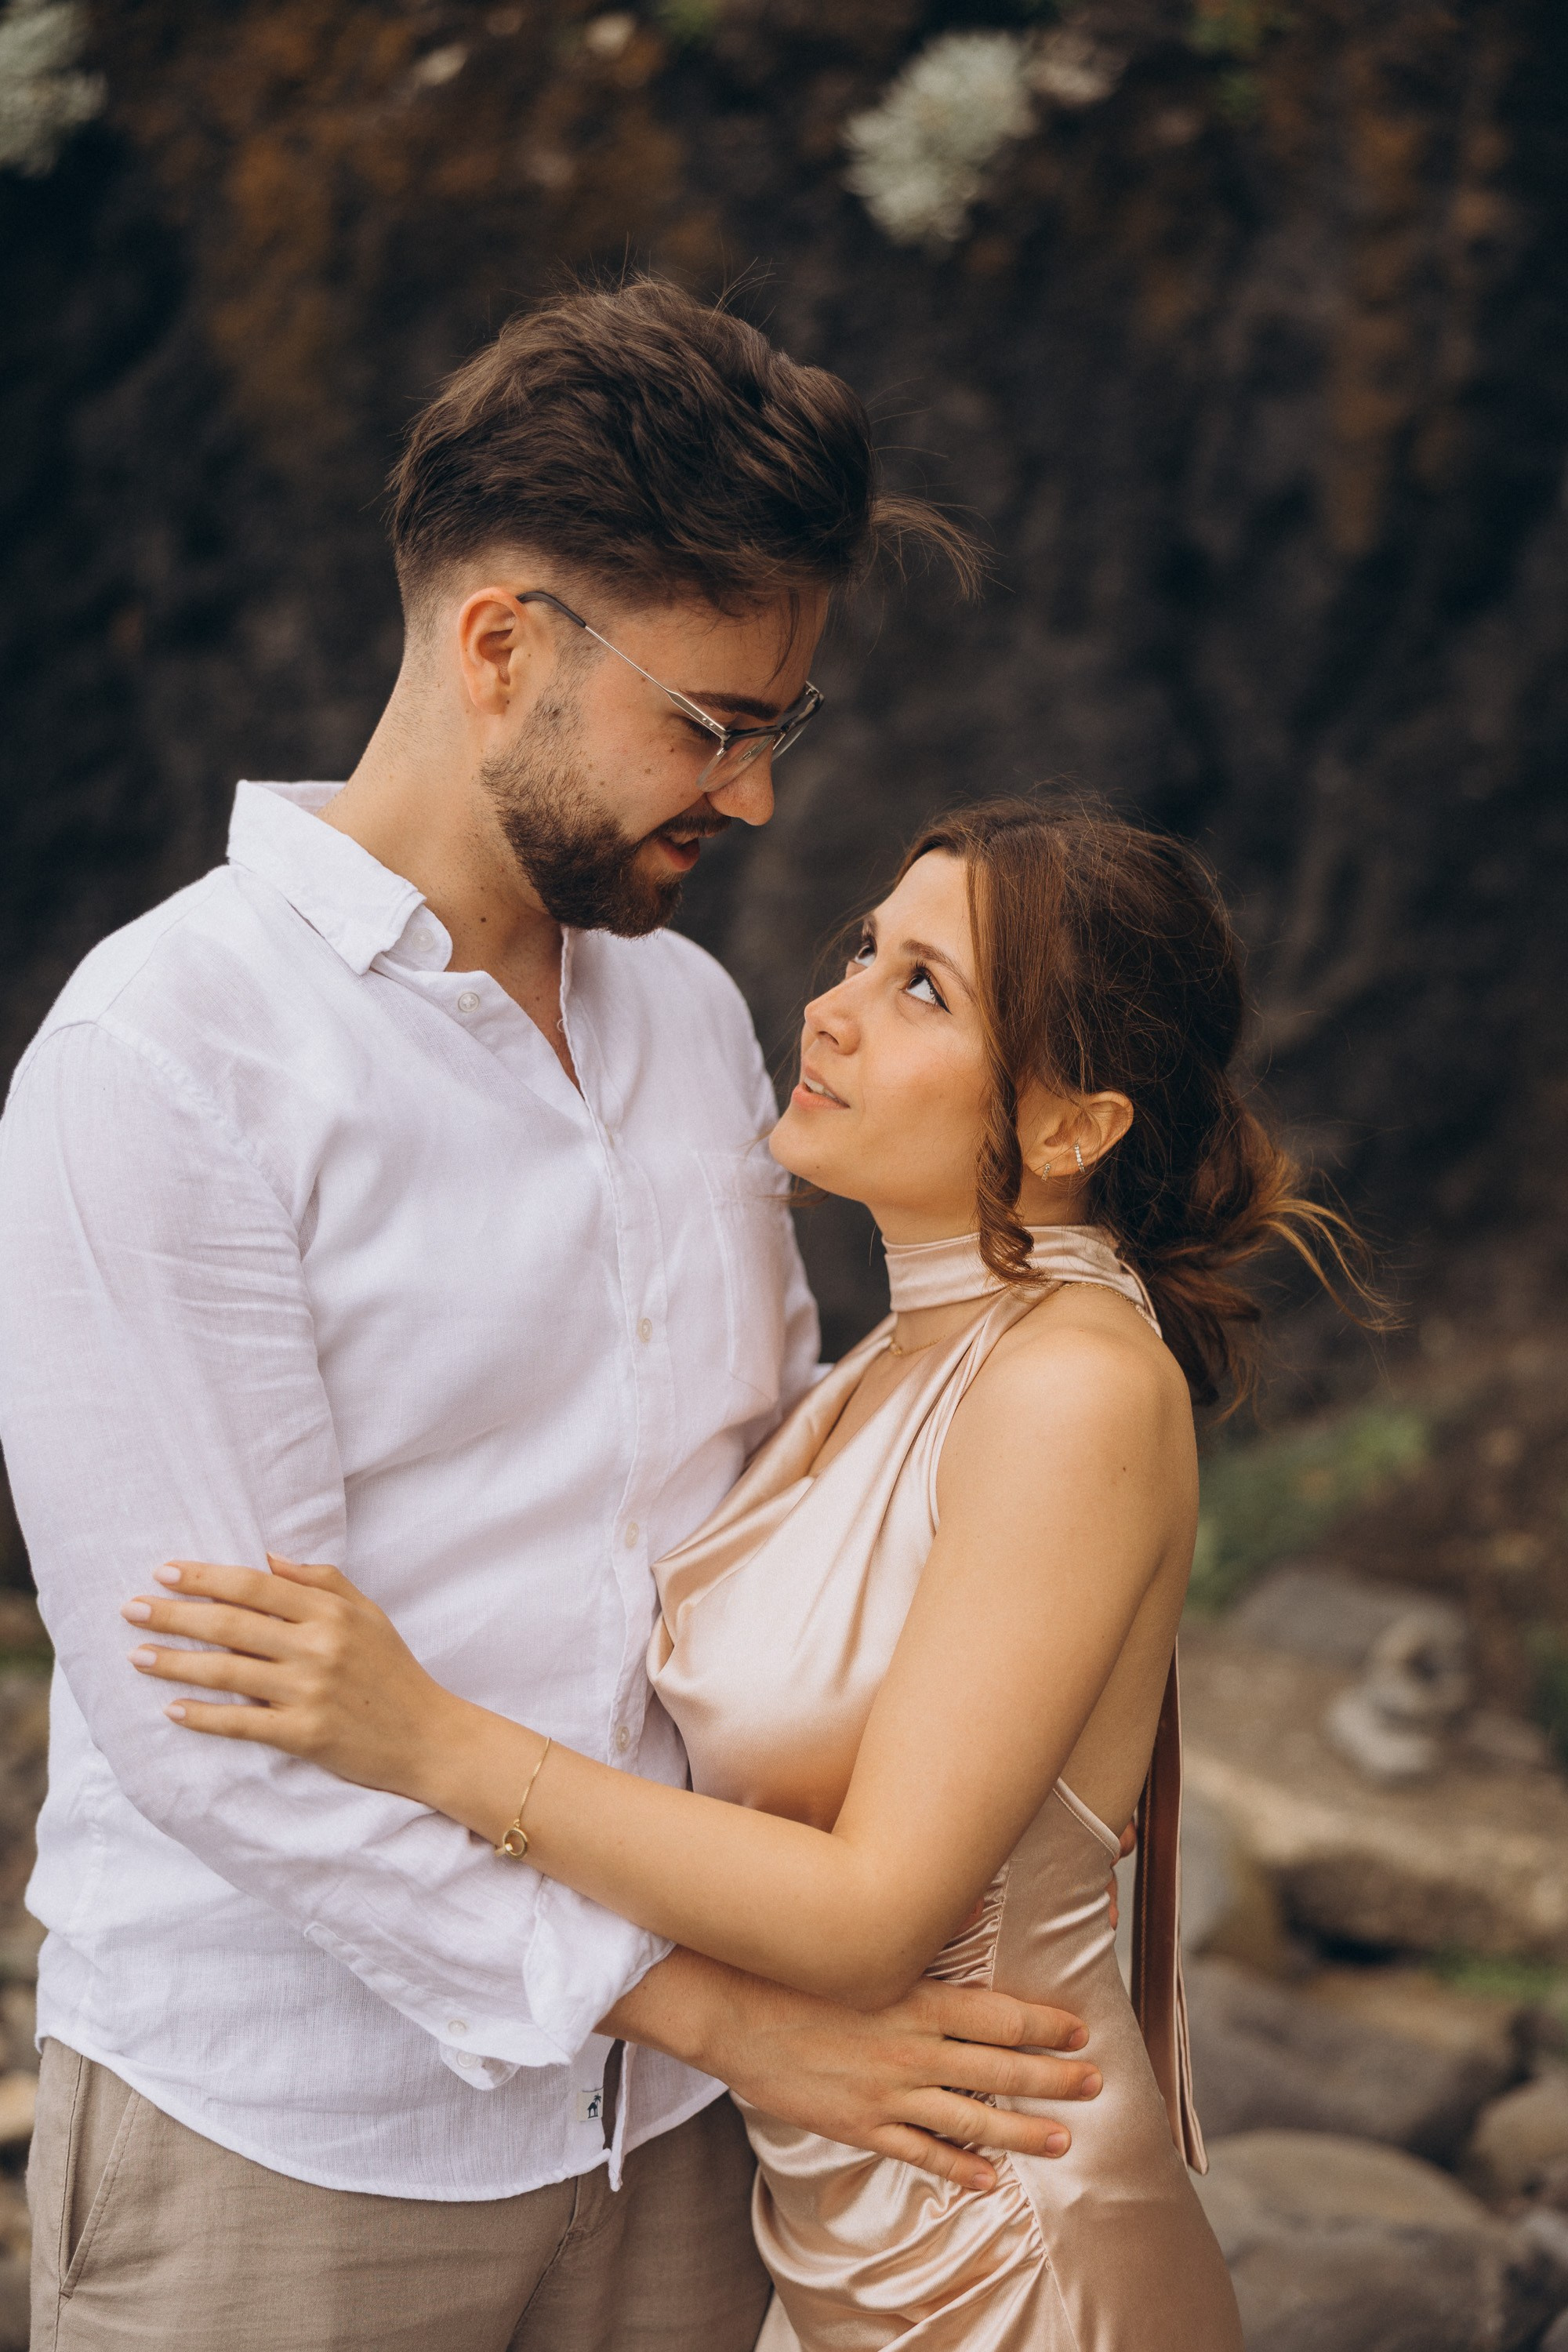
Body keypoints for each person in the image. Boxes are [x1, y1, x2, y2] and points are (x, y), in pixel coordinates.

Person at [0, 287, 1105, 2352]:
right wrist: (729, 2014)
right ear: (501, 646)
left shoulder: (690, 1020)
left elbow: (758, 1528)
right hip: (296, 2144)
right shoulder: (165, 1058)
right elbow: (215, 1726)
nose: (752, 799)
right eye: (712, 722)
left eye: (778, 728)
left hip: (676, 2151)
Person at [130, 801, 1368, 2348]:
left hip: (1007, 2254)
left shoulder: (1075, 1388)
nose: (831, 1007)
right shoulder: (894, 1365)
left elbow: (868, 1913)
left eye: (924, 989)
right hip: (847, 2227)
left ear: (1073, 1129)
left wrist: (424, 1736)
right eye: (865, 949)